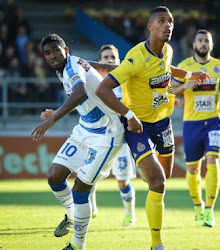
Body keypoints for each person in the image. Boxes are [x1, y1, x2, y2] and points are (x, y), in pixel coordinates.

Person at [96, 6, 210, 250]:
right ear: (150, 27)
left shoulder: (167, 50)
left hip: (164, 123)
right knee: (158, 182)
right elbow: (102, 89)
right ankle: (156, 243)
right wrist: (128, 114)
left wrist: (191, 75)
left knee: (163, 178)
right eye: (161, 21)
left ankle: (146, 168)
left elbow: (168, 69)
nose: (168, 25)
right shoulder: (136, 57)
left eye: (170, 21)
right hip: (139, 127)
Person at [31, 34, 124, 250]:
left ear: (65, 50)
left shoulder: (71, 67)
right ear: (44, 57)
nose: (53, 55)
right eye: (48, 53)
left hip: (106, 133)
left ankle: (77, 244)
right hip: (84, 129)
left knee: (80, 189)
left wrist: (53, 119)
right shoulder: (69, 65)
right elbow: (94, 67)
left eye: (56, 50)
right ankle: (72, 215)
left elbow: (80, 92)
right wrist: (113, 67)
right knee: (54, 175)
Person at [171, 29, 220, 227]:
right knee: (192, 168)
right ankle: (197, 206)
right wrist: (184, 88)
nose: (203, 44)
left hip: (214, 119)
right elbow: (171, 89)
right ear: (194, 45)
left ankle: (209, 210)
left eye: (206, 41)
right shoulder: (184, 66)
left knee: (213, 159)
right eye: (199, 41)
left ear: (211, 45)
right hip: (191, 123)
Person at [89, 44, 137, 226]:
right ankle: (92, 207)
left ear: (119, 61)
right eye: (106, 58)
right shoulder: (94, 83)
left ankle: (129, 213)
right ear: (100, 62)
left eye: (113, 58)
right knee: (88, 176)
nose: (109, 60)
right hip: (100, 137)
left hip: (121, 140)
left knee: (123, 181)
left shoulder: (126, 82)